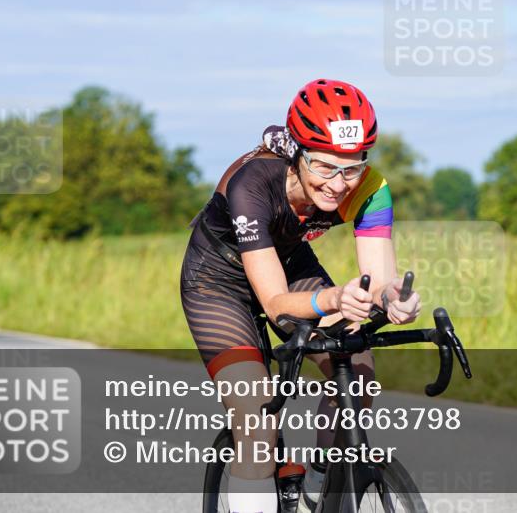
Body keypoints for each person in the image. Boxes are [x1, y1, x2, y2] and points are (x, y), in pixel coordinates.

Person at [180, 78, 422, 513]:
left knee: (358, 368)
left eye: (352, 167)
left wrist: (392, 299)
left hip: (290, 264)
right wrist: (334, 299)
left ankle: (319, 480)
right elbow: (274, 303)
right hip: (217, 281)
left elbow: (379, 278)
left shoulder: (370, 187)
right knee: (255, 423)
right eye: (324, 167)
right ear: (296, 153)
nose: (339, 184)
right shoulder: (251, 183)